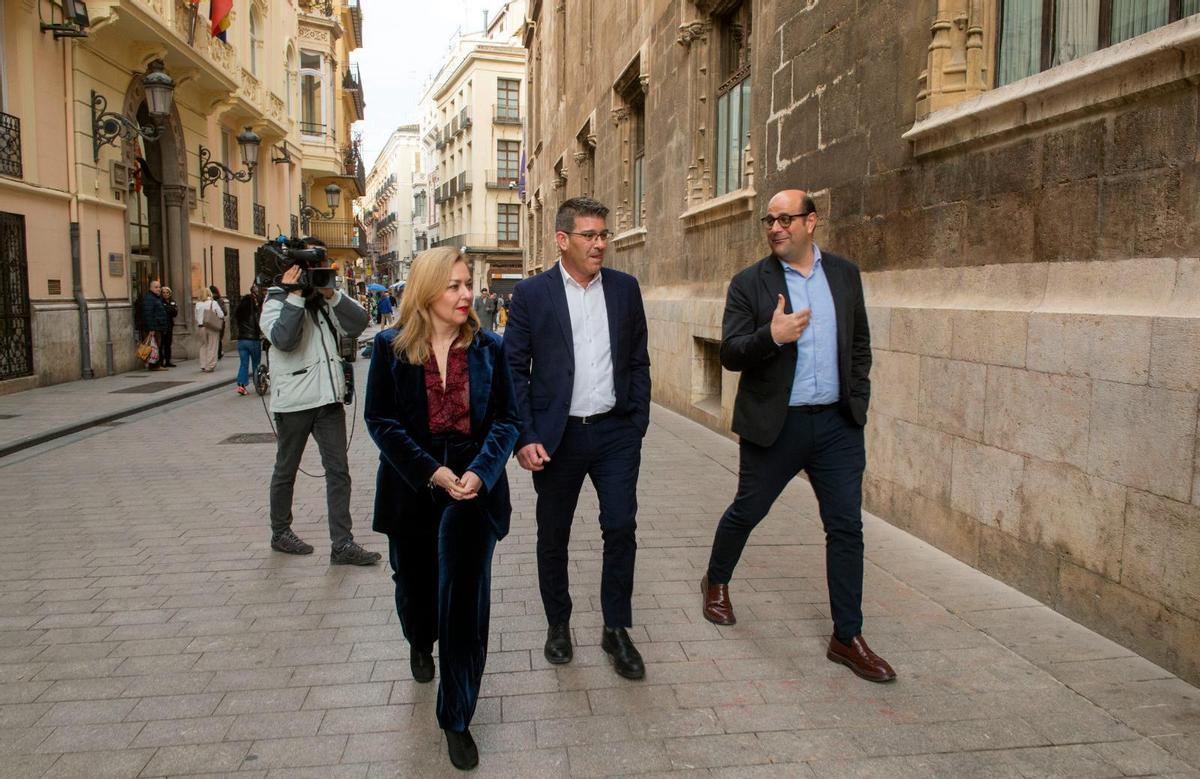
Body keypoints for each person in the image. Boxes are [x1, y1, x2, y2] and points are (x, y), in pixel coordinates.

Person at [700, 189, 895, 683]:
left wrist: (859, 405)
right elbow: (731, 352)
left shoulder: (845, 276)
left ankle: (846, 636)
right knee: (748, 509)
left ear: (812, 223)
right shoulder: (749, 283)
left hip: (836, 424)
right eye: (769, 219)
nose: (775, 227)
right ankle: (716, 580)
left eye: (785, 218)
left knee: (846, 527)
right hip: (777, 424)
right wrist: (773, 336)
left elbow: (860, 345)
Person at [365, 246, 520, 771]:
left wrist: (480, 470)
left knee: (464, 603)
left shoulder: (489, 349)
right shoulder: (389, 349)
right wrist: (432, 471)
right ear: (428, 290)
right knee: (415, 589)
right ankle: (417, 638)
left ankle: (457, 716)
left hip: (474, 486)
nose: (466, 294)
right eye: (454, 285)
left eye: (467, 284)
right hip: (415, 484)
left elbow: (507, 420)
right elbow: (380, 421)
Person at [503, 197, 651, 680]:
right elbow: (513, 370)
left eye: (604, 234)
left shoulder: (626, 290)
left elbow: (638, 362)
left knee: (621, 526)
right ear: (562, 240)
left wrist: (637, 423)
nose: (601, 244)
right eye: (589, 235)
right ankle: (558, 625)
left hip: (614, 433)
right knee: (554, 535)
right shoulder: (531, 294)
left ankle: (616, 629)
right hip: (557, 438)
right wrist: (524, 436)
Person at [259, 257, 380, 566]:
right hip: (295, 402)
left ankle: (342, 543)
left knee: (339, 472)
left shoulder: (324, 302)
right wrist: (295, 296)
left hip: (328, 401)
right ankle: (280, 532)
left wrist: (332, 294)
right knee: (286, 468)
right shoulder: (275, 302)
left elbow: (359, 322)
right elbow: (284, 340)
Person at [233, 283, 263, 395]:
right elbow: (258, 325)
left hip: (241, 341)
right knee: (256, 364)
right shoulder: (254, 312)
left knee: (243, 364)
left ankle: (241, 385)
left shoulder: (240, 314)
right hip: (253, 340)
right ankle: (258, 384)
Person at [140, 279, 169, 371]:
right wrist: (151, 328)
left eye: (159, 287)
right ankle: (154, 365)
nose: (158, 289)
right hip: (153, 327)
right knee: (154, 346)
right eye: (156, 287)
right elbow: (148, 314)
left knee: (156, 346)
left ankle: (155, 364)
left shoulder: (156, 298)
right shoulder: (149, 298)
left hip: (158, 326)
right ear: (150, 288)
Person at [194, 287, 224, 373]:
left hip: (201, 326)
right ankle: (210, 366)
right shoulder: (213, 303)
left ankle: (203, 365)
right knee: (212, 346)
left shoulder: (197, 304)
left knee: (203, 346)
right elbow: (221, 314)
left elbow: (196, 317)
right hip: (211, 327)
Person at [160, 286, 179, 368]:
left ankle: (168, 361)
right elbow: (164, 311)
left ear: (169, 293)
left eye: (167, 292)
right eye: (163, 292)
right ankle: (161, 361)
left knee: (168, 344)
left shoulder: (172, 301)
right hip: (162, 325)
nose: (165, 294)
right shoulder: (160, 301)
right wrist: (170, 309)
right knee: (162, 344)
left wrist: (168, 308)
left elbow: (175, 313)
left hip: (170, 325)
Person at [210, 285, 227, 360]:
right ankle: (218, 353)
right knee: (219, 338)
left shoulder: (208, 301)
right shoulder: (220, 300)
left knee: (213, 339)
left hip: (210, 321)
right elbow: (225, 312)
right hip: (219, 321)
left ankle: (214, 354)